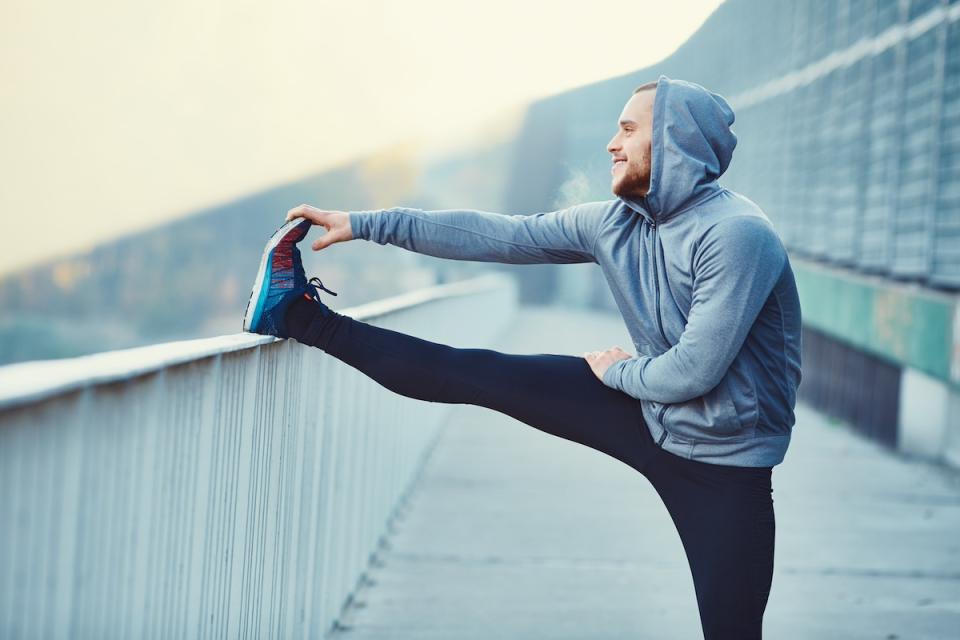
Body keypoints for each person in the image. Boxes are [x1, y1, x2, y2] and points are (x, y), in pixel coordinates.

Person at [242, 74, 802, 640]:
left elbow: (693, 371)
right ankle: (296, 317)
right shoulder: (615, 223)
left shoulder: (736, 236)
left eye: (629, 129)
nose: (612, 143)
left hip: (727, 466)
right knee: (476, 372)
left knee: (732, 631)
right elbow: (497, 236)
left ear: (675, 141)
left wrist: (617, 371)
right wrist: (364, 224)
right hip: (649, 416)